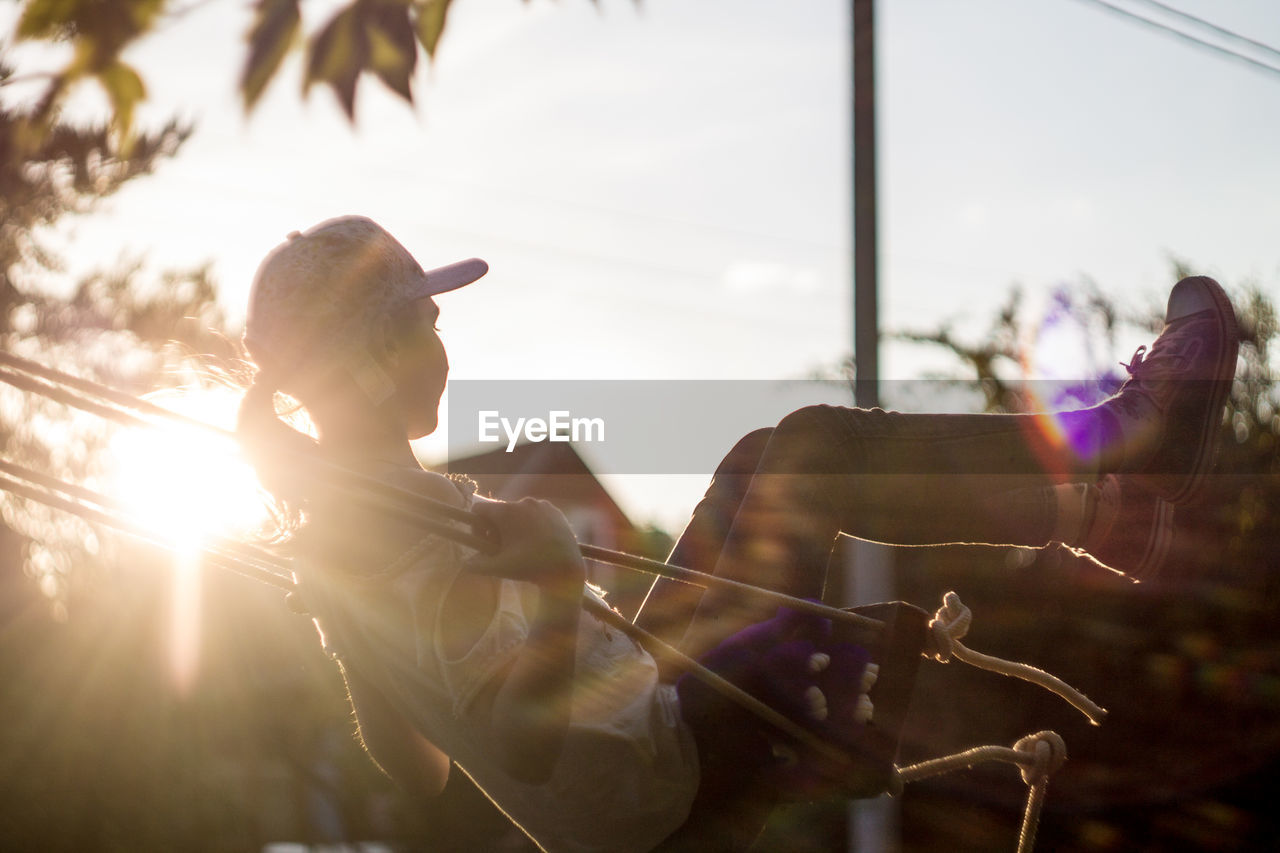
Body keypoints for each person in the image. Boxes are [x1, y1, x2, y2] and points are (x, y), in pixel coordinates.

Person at [236, 215, 1239, 852]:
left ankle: (1116, 515)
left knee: (761, 454)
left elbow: (418, 767)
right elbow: (520, 747)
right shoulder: (384, 539)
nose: (443, 346)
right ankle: (1131, 435)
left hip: (639, 709)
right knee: (808, 453)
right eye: (425, 324)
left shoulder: (351, 535)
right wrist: (546, 582)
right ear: (372, 358)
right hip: (661, 785)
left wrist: (372, 651)